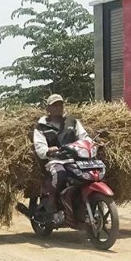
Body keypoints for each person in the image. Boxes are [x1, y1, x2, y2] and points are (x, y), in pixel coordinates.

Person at [32, 94, 90, 224]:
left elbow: (84, 137)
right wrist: (48, 151)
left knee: (91, 175)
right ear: (48, 108)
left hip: (75, 159)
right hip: (55, 161)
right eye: (55, 105)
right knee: (60, 174)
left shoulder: (72, 122)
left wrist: (91, 144)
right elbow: (39, 146)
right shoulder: (42, 126)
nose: (59, 107)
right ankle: (52, 205)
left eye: (60, 104)